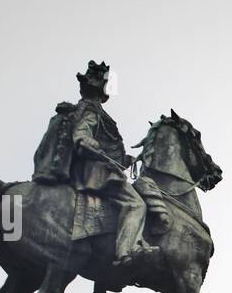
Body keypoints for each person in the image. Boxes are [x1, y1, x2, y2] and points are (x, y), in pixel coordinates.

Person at [31, 60, 165, 267]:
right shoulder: (91, 109)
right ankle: (127, 250)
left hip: (99, 168)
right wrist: (93, 147)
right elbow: (82, 137)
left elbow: (105, 146)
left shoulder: (87, 108)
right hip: (96, 173)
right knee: (135, 204)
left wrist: (127, 159)